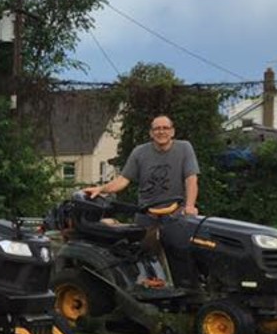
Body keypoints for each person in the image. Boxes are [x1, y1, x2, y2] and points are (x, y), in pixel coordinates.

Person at [82, 114, 200, 286]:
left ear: (172, 131)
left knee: (185, 244)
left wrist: (190, 205)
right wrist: (101, 189)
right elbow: (123, 180)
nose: (161, 132)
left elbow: (191, 179)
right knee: (141, 249)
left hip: (176, 210)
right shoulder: (140, 152)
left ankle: (191, 285)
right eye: (157, 129)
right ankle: (149, 283)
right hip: (147, 212)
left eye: (165, 128)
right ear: (151, 133)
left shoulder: (184, 148)